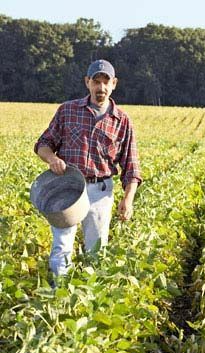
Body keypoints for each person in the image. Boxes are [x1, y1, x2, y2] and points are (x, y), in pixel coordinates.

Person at [34, 59, 142, 279]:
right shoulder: (67, 111)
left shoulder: (122, 121)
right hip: (68, 188)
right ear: (87, 82)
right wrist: (52, 159)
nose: (100, 88)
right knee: (62, 246)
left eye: (105, 82)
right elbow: (43, 144)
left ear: (114, 84)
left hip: (101, 191)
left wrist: (128, 199)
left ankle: (89, 297)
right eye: (96, 81)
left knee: (96, 250)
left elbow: (131, 166)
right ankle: (59, 295)